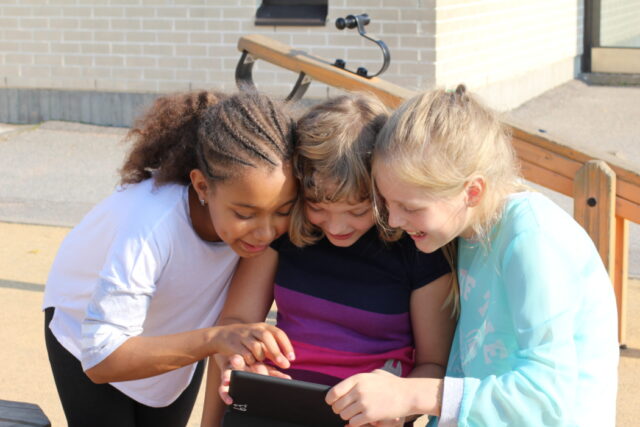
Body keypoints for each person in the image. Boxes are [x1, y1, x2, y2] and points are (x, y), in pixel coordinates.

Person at [326, 85, 620, 427]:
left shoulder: (533, 237)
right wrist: (398, 406)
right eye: (387, 203)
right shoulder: (468, 231)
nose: (393, 220)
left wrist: (409, 394)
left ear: (472, 191)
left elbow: (546, 395)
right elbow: (468, 367)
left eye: (409, 206)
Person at [42, 90, 298, 427]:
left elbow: (226, 334)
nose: (265, 233)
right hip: (86, 333)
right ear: (203, 187)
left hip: (179, 331)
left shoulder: (257, 237)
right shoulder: (152, 224)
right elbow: (101, 358)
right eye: (245, 213)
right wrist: (213, 339)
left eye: (282, 210)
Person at [201, 93, 457, 426]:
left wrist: (401, 406)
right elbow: (234, 321)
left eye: (357, 211)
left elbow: (433, 364)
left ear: (384, 191)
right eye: (318, 207)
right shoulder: (287, 234)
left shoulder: (418, 249)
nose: (336, 227)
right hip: (276, 406)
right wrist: (240, 362)